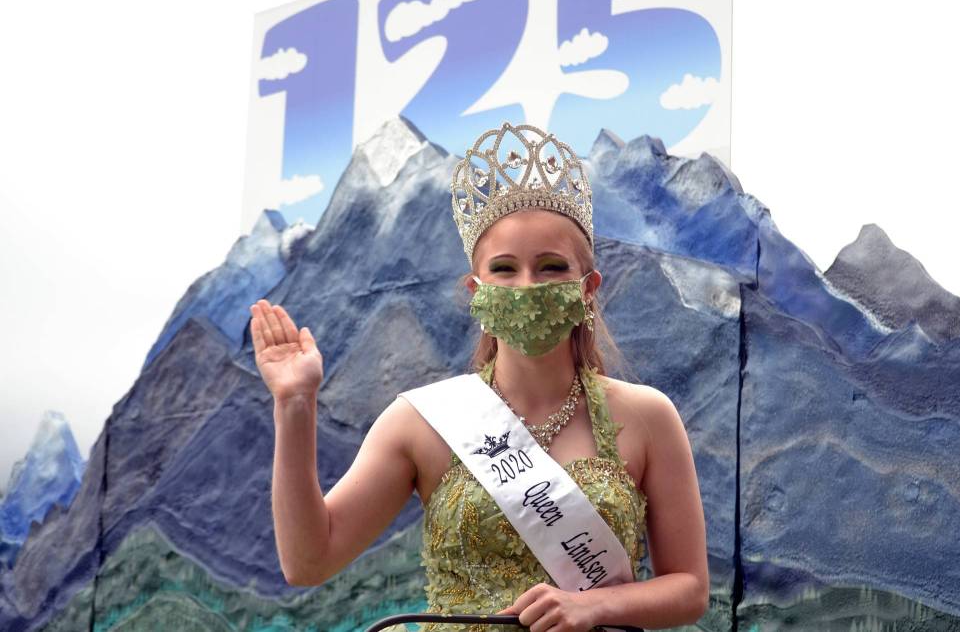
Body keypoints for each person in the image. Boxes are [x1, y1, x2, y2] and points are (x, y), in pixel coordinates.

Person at [250, 121, 709, 632]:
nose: (528, 285)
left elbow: (689, 588)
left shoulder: (647, 416)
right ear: (476, 289)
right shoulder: (420, 422)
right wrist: (294, 405)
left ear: (587, 287)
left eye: (553, 267)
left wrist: (594, 605)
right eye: (505, 269)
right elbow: (308, 562)